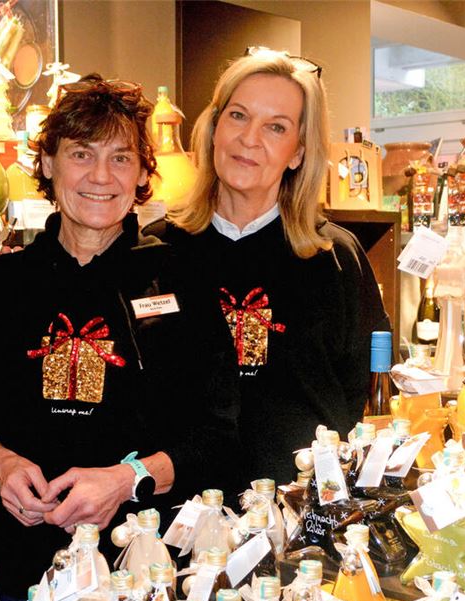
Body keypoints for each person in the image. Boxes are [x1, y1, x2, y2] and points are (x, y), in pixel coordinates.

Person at [0, 74, 239, 601]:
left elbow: (220, 433)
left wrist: (128, 479)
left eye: (120, 158)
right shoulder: (0, 286)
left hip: (149, 572)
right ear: (48, 164)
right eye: (81, 154)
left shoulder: (181, 279)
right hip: (28, 575)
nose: (101, 176)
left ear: (143, 171)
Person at [149, 47, 391, 489]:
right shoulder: (157, 253)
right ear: (213, 129)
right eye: (238, 116)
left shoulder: (336, 258)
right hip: (177, 518)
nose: (249, 139)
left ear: (298, 152)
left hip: (299, 517)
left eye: (275, 127)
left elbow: (367, 401)